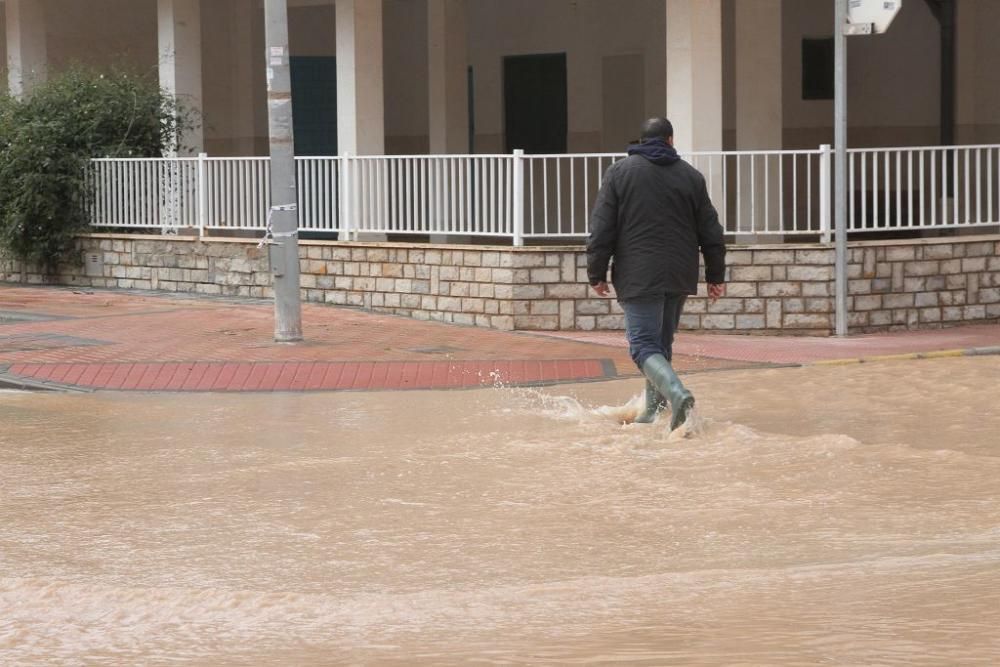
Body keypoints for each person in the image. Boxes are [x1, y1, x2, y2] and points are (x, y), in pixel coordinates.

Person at [586, 117, 726, 430]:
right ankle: (651, 414)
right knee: (660, 346)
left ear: (640, 141)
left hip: (638, 275)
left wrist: (596, 271)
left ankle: (677, 394)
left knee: (643, 347)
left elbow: (601, 227)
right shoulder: (690, 176)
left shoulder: (620, 173)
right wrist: (716, 276)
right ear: (670, 141)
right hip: (679, 274)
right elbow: (712, 231)